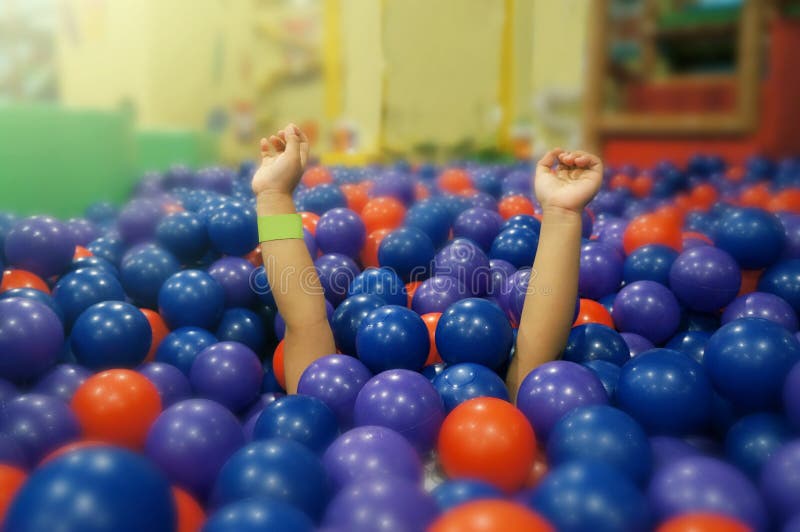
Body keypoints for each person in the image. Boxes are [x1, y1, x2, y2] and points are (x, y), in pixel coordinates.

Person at [253, 124, 603, 398]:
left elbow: (537, 351)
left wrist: (561, 213)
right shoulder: (330, 419)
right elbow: (305, 322)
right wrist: (273, 195)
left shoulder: (327, 417)